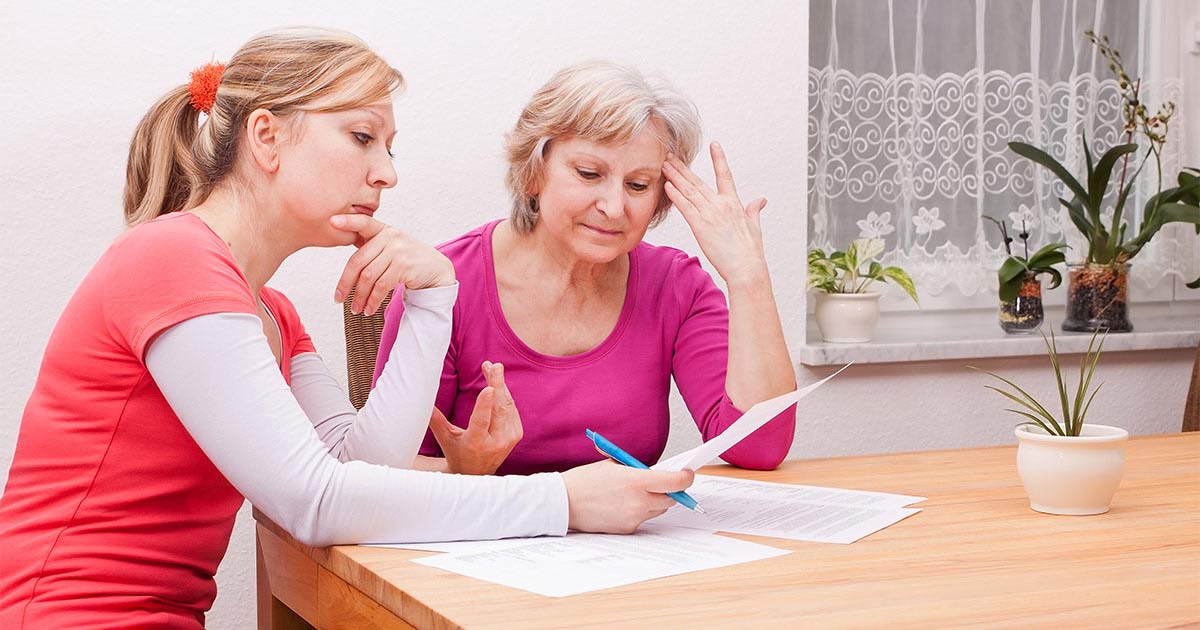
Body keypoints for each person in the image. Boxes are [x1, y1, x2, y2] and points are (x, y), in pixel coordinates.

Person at [0, 29, 692, 628]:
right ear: (266, 136)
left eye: (388, 146)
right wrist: (563, 500)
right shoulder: (173, 257)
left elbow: (360, 467)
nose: (386, 173)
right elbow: (315, 501)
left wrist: (433, 300)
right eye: (363, 137)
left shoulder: (270, 312)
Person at [374, 61, 797, 477]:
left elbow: (757, 446)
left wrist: (748, 276)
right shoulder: (443, 288)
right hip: (479, 539)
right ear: (533, 173)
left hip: (627, 542)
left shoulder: (676, 287)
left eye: (638, 185)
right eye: (590, 173)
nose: (614, 207)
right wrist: (482, 477)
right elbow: (381, 471)